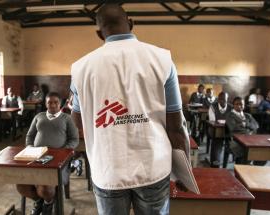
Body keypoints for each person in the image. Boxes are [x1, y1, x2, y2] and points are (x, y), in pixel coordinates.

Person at [70, 4, 190, 215]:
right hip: (153, 167)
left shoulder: (80, 68)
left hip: (108, 169)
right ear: (132, 23)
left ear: (99, 34)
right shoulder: (162, 59)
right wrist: (183, 172)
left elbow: (77, 123)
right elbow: (176, 126)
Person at [16, 92, 79, 215]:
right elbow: (30, 135)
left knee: (45, 186)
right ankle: (40, 201)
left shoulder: (67, 118)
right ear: (46, 103)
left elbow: (74, 139)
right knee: (21, 185)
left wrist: (63, 151)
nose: (53, 105)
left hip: (59, 160)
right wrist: (30, 148)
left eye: (56, 102)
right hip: (37, 157)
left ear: (60, 104)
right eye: (50, 102)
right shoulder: (39, 116)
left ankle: (48, 204)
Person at [226, 97, 264, 165]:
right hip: (236, 141)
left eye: (241, 104)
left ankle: (252, 168)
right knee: (246, 152)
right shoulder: (230, 115)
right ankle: (243, 169)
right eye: (237, 104)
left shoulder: (248, 115)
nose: (239, 106)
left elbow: (256, 125)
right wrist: (249, 130)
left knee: (263, 154)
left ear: (244, 105)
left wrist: (246, 124)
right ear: (233, 105)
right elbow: (234, 128)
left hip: (250, 140)